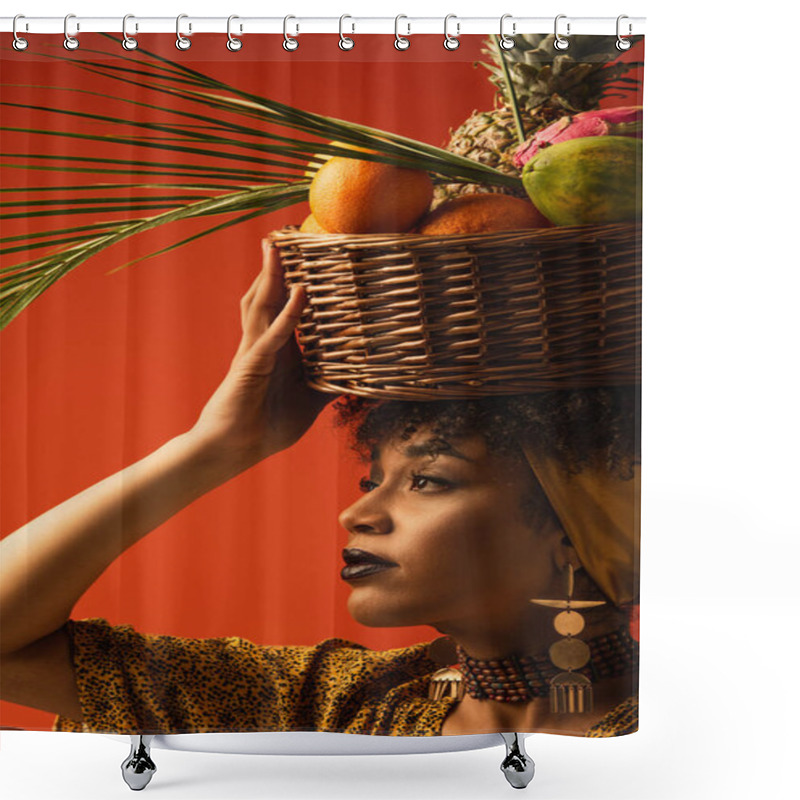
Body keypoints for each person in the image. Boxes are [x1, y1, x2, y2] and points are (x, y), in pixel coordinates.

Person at [0, 241, 639, 738]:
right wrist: (215, 446)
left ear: (574, 529)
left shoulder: (694, 738)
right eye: (372, 479)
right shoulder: (331, 703)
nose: (357, 512)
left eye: (426, 480)